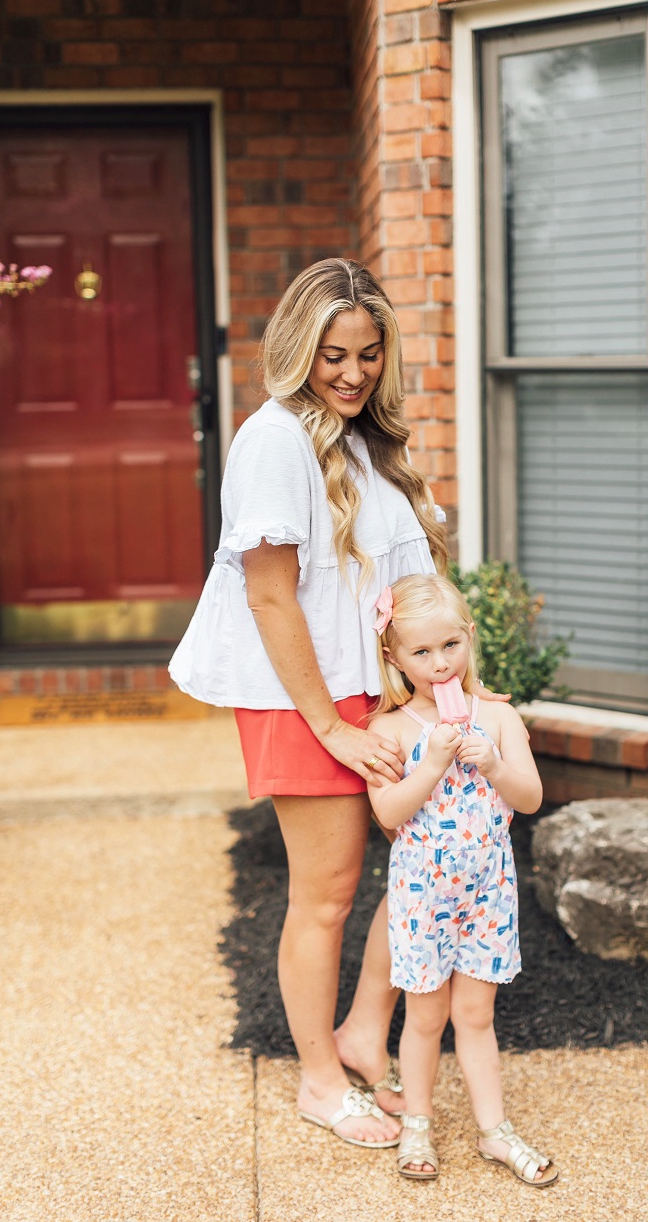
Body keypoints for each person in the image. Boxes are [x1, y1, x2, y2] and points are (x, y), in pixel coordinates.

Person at [169, 258, 453, 1148]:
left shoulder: (366, 441)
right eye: (334, 353)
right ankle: (321, 1082)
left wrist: (453, 695)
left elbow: (409, 585)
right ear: (299, 347)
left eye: (370, 354)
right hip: (304, 700)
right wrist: (331, 724)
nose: (353, 372)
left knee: (419, 870)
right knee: (325, 895)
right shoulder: (275, 440)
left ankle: (364, 1033)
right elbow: (269, 596)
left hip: (377, 692)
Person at [367, 573, 558, 1186]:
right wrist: (432, 764)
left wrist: (496, 763)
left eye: (450, 645)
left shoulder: (497, 717)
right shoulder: (390, 730)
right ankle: (418, 1123)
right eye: (421, 652)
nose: (439, 662)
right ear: (394, 656)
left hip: (487, 893)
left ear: (469, 639)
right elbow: (389, 813)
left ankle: (494, 1131)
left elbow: (529, 800)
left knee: (475, 1015)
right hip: (423, 895)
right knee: (424, 1018)